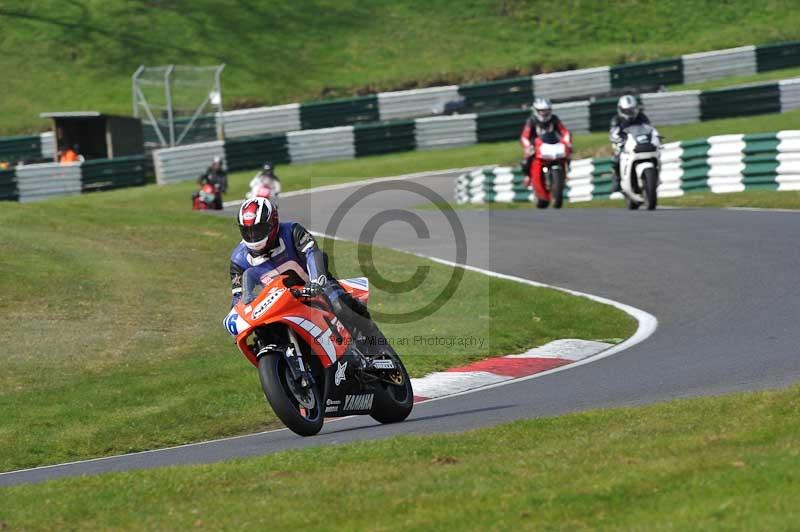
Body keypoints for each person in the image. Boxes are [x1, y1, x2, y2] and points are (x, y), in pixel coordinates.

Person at [230, 197, 376, 343]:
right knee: (262, 334)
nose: (252, 236)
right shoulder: (238, 260)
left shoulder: (293, 231)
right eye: (247, 231)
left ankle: (375, 343)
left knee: (340, 305)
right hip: (279, 304)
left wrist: (316, 281)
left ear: (272, 224)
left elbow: (312, 253)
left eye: (258, 230)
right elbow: (238, 298)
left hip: (315, 288)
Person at [519, 98, 572, 205]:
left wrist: (567, 142)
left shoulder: (554, 119)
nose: (545, 113)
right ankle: (528, 176)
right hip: (536, 146)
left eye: (547, 110)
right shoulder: (532, 121)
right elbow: (525, 136)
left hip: (553, 145)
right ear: (536, 111)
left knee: (567, 154)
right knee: (526, 160)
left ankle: (566, 172)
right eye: (542, 111)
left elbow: (564, 131)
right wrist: (528, 146)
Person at [609, 95, 651, 192]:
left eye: (632, 110)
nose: (630, 113)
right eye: (627, 111)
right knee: (616, 157)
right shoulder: (616, 119)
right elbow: (613, 133)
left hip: (639, 141)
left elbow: (649, 129)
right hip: (623, 142)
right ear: (621, 110)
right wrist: (619, 140)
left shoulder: (642, 117)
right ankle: (617, 180)